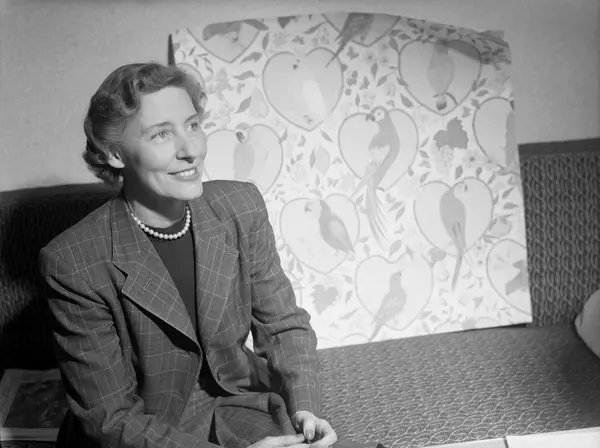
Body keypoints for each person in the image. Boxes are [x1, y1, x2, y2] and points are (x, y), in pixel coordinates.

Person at [39, 62, 338, 448]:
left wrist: (305, 409)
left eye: (193, 125)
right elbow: (110, 418)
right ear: (114, 153)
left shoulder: (241, 206)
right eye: (162, 134)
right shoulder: (72, 261)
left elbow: (283, 325)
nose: (192, 150)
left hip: (235, 402)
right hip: (146, 433)